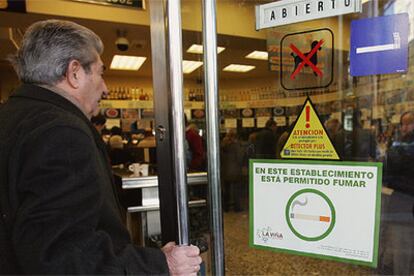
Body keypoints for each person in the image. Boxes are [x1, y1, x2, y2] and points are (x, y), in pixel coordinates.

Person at [0, 20, 201, 274]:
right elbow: (63, 256)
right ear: (74, 72)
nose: (104, 87)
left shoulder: (11, 117)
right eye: (100, 72)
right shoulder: (61, 132)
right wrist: (162, 264)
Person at [380, 111, 414, 275]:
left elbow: (390, 173)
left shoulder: (403, 146)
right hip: (402, 203)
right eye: (403, 124)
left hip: (403, 204)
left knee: (402, 249)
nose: (405, 127)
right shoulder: (400, 144)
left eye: (409, 123)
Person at [220, 129, 243, 212]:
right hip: (235, 170)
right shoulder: (236, 145)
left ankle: (226, 207)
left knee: (226, 190)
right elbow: (240, 157)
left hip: (225, 170)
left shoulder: (222, 145)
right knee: (236, 189)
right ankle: (237, 207)